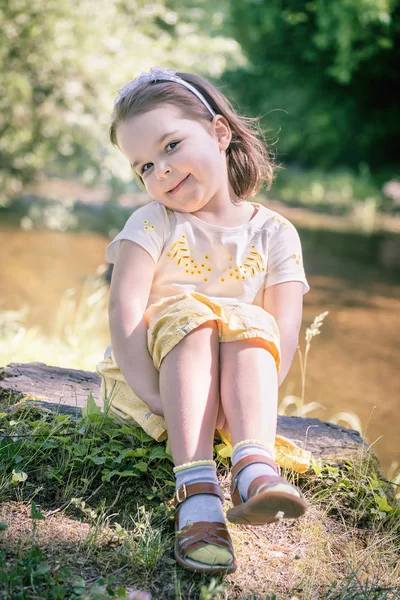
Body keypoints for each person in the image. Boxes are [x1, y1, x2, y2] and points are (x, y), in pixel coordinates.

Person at [97, 66, 310, 575]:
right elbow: (123, 312)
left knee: (250, 321)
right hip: (154, 378)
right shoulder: (152, 222)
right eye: (144, 165)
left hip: (229, 397)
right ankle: (196, 496)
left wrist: (237, 416)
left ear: (219, 132)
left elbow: (281, 336)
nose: (160, 172)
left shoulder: (276, 233)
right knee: (191, 316)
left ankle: (254, 467)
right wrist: (154, 395)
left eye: (171, 146)